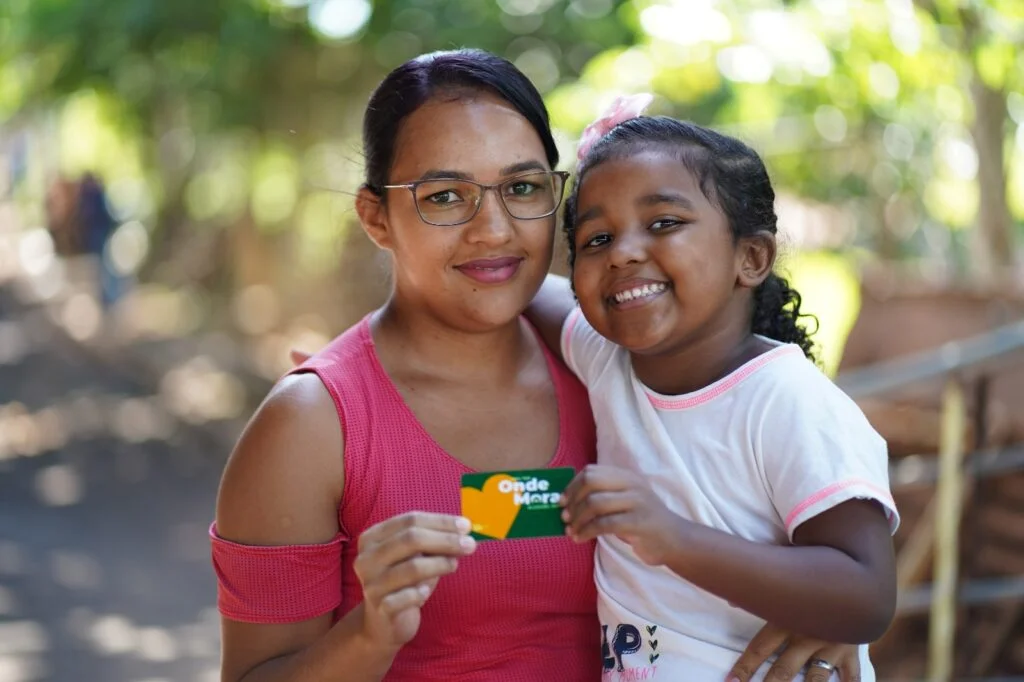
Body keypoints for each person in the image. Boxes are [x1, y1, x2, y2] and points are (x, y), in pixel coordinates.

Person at [213, 50, 865, 682]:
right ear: (375, 218)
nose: (494, 230)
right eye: (445, 197)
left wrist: (823, 609)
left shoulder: (619, 367)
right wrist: (367, 639)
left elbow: (801, 533)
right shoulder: (313, 426)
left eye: (523, 187)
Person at [523, 100, 900, 681]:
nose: (621, 251)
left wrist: (673, 538)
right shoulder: (605, 358)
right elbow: (520, 284)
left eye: (664, 223)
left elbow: (866, 595)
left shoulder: (786, 401)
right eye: (595, 239)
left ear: (750, 257)